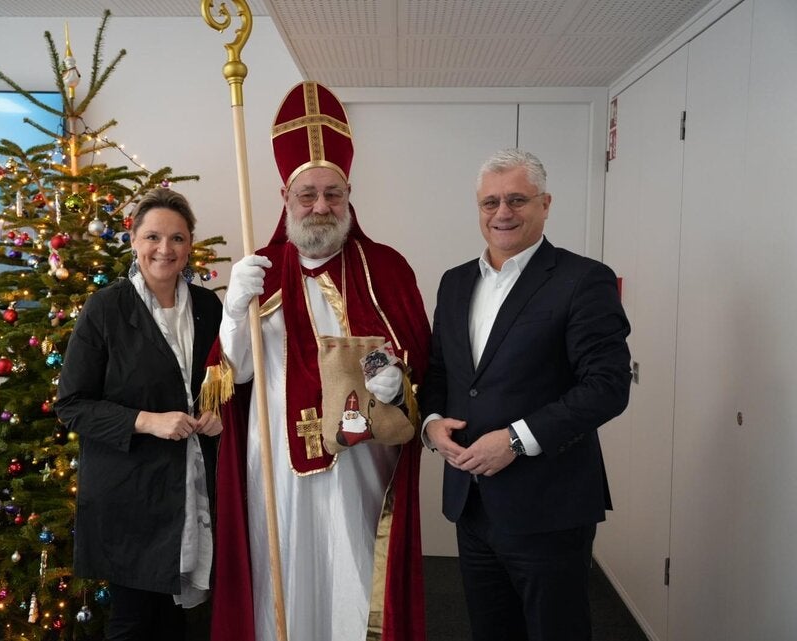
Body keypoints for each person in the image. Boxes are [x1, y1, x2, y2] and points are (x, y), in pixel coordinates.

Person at [203, 81, 431, 641]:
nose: (321, 207)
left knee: (353, 567)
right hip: (277, 454)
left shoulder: (387, 268)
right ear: (285, 195)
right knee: (280, 563)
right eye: (308, 195)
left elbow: (419, 373)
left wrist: (391, 379)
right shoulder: (260, 271)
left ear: (349, 194)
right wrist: (234, 312)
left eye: (333, 194)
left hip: (361, 458)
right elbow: (236, 378)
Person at [420, 148, 632, 641]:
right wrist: (431, 424)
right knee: (491, 630)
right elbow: (440, 372)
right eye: (489, 202)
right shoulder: (455, 283)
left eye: (517, 199)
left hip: (549, 504)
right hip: (471, 503)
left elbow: (607, 387)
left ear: (545, 204)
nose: (502, 213)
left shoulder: (582, 279)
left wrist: (515, 440)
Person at [55, 188, 223, 640]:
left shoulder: (209, 308)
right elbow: (71, 405)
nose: (164, 250)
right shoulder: (105, 308)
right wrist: (148, 420)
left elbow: (223, 382)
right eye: (153, 237)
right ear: (133, 240)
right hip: (130, 492)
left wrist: (215, 414)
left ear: (190, 245)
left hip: (192, 489)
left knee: (177, 623)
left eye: (177, 239)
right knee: (132, 623)